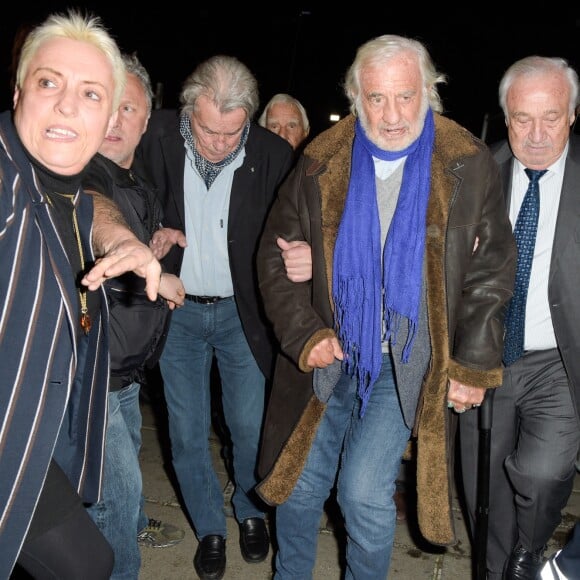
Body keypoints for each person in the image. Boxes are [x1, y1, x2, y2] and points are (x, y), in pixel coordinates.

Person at [255, 34, 516, 579]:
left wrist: (470, 365)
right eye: (376, 98)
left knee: (362, 494)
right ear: (356, 97)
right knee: (298, 488)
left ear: (429, 92)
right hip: (331, 350)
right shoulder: (320, 160)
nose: (392, 113)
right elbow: (273, 260)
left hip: (408, 359)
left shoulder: (466, 163)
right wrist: (306, 333)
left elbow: (492, 271)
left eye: (405, 96)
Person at [0, 10, 162, 579]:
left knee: (89, 563)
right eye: (50, 83)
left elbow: (90, 206)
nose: (68, 105)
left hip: (35, 433)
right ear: (19, 90)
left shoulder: (65, 186)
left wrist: (124, 240)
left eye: (91, 94)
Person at [137, 55, 294, 580]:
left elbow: (297, 225)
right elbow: (119, 194)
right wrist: (147, 237)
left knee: (249, 426)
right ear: (188, 111)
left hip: (238, 314)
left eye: (233, 132)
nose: (220, 143)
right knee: (185, 431)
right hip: (177, 312)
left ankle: (251, 512)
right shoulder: (152, 135)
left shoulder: (272, 155)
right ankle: (209, 526)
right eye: (208, 129)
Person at [459, 55, 580, 580]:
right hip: (486, 357)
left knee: (543, 471)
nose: (534, 133)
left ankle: (528, 554)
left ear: (573, 114)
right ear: (504, 114)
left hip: (558, 360)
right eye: (520, 118)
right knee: (481, 486)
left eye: (550, 116)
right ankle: (498, 570)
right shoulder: (473, 176)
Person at [83, 52, 185, 579]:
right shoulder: (80, 172)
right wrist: (126, 243)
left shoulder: (136, 177)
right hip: (93, 377)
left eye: (131, 109)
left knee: (124, 497)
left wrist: (159, 247)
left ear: (147, 120)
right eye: (107, 104)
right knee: (113, 509)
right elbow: (94, 208)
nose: (116, 120)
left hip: (124, 377)